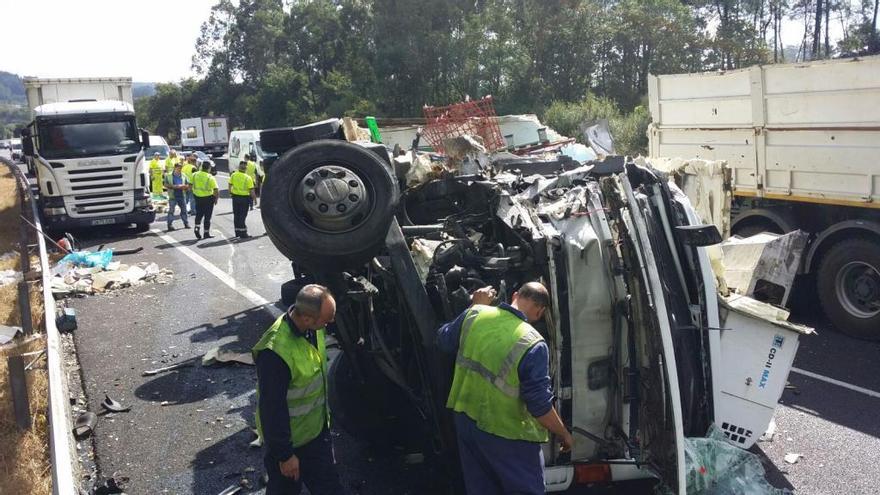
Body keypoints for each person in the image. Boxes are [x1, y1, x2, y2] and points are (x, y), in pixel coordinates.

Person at [437, 282, 574, 495]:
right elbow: (539, 405)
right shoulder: (533, 344)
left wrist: (474, 306)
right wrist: (563, 433)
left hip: (467, 421)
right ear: (540, 311)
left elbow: (443, 339)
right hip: (507, 433)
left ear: (515, 295)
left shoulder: (475, 315)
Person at [253, 285, 345, 495]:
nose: (329, 324)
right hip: (291, 444)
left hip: (316, 435)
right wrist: (285, 456)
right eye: (326, 319)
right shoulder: (275, 352)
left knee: (331, 489)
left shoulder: (312, 329)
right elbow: (271, 408)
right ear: (307, 319)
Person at [191, 161, 219, 239]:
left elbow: (189, 186)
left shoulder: (194, 175)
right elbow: (216, 190)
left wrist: (194, 194)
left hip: (198, 197)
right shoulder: (210, 177)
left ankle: (197, 228)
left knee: (199, 214)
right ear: (209, 168)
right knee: (207, 216)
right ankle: (206, 233)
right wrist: (216, 199)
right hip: (208, 199)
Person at [230, 161, 257, 238]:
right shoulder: (248, 178)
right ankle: (243, 233)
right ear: (246, 169)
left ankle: (237, 232)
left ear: (239, 167)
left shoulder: (233, 175)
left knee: (236, 215)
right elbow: (251, 190)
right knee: (242, 215)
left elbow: (229, 185)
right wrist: (255, 199)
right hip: (244, 198)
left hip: (235, 197)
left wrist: (230, 193)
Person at [162, 162, 190, 231]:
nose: (179, 170)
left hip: (181, 195)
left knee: (184, 210)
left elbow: (188, 185)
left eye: (180, 168)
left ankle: (186, 223)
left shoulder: (184, 175)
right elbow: (165, 184)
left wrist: (183, 186)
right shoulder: (168, 175)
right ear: (175, 168)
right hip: (173, 196)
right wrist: (173, 186)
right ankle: (169, 225)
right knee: (171, 211)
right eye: (178, 168)